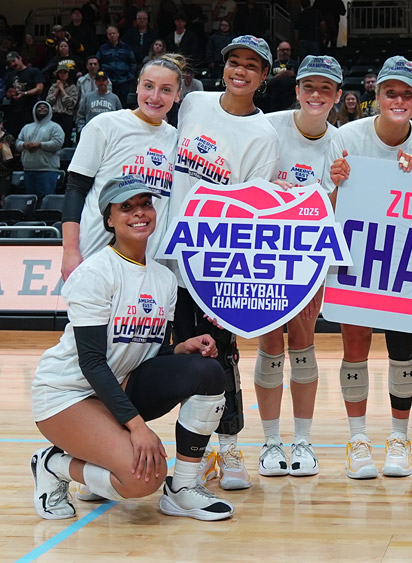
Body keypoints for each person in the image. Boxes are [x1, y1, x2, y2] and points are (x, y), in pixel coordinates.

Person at [30, 174, 235, 522]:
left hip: (117, 388)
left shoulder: (164, 280)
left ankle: (183, 489)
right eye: (126, 207)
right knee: (143, 480)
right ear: (109, 219)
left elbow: (148, 352)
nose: (139, 213)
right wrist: (138, 427)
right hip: (67, 395)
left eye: (145, 203)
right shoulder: (95, 273)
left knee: (207, 371)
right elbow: (92, 362)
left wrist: (181, 348)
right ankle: (53, 464)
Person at [166, 35, 280, 492]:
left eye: (252, 65)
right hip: (163, 253)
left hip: (214, 261)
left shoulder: (263, 135)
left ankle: (228, 446)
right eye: (235, 61)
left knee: (220, 356)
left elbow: (252, 209)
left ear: (264, 76)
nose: (240, 70)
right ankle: (181, 448)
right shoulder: (193, 103)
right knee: (161, 356)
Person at [326, 55, 412, 479]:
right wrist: (335, 182)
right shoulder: (346, 136)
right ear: (377, 95)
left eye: (408, 93)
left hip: (404, 258)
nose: (399, 99)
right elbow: (327, 209)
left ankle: (400, 439)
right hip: (355, 256)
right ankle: (357, 440)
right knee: (355, 348)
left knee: (402, 349)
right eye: (391, 92)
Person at [255, 55, 343, 479]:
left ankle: (302, 441)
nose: (316, 95)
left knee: (304, 341)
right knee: (271, 343)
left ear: (338, 96)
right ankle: (271, 442)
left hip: (309, 256)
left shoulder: (341, 143)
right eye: (309, 86)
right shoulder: (268, 125)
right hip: (264, 253)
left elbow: (341, 212)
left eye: (325, 89)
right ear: (296, 90)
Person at [62, 54, 183, 314]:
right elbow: (75, 189)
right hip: (96, 251)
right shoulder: (105, 125)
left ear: (178, 95)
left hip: (148, 262)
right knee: (90, 341)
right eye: (148, 86)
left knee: (139, 342)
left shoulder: (177, 139)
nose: (155, 96)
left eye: (166, 90)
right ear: (137, 86)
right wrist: (70, 251)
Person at [16, 101, 65, 196]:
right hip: (28, 171)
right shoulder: (27, 127)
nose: (42, 108)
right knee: (30, 202)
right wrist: (24, 145)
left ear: (50, 110)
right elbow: (18, 143)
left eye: (45, 107)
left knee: (46, 201)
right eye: (39, 107)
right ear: (34, 110)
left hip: (47, 171)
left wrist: (39, 145)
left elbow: (57, 143)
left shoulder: (55, 127)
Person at [4, 52, 46, 138]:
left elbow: (40, 88)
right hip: (14, 111)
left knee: (29, 135)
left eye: (13, 61)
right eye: (10, 63)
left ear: (19, 58)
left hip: (30, 109)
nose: (12, 64)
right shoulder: (10, 75)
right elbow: (7, 94)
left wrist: (25, 93)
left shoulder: (33, 71)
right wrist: (10, 94)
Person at [97, 26, 138, 106]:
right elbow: (98, 62)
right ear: (107, 36)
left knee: (122, 104)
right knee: (108, 103)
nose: (112, 35)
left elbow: (133, 62)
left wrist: (129, 76)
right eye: (109, 34)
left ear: (118, 34)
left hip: (123, 81)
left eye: (114, 33)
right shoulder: (103, 48)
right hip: (108, 81)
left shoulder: (126, 47)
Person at [46, 62, 80, 146]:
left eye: (65, 72)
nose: (63, 74)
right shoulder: (53, 86)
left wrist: (62, 89)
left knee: (66, 139)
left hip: (67, 116)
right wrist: (57, 89)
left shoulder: (73, 88)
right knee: (53, 138)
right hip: (54, 115)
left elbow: (71, 104)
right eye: (60, 72)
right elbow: (48, 101)